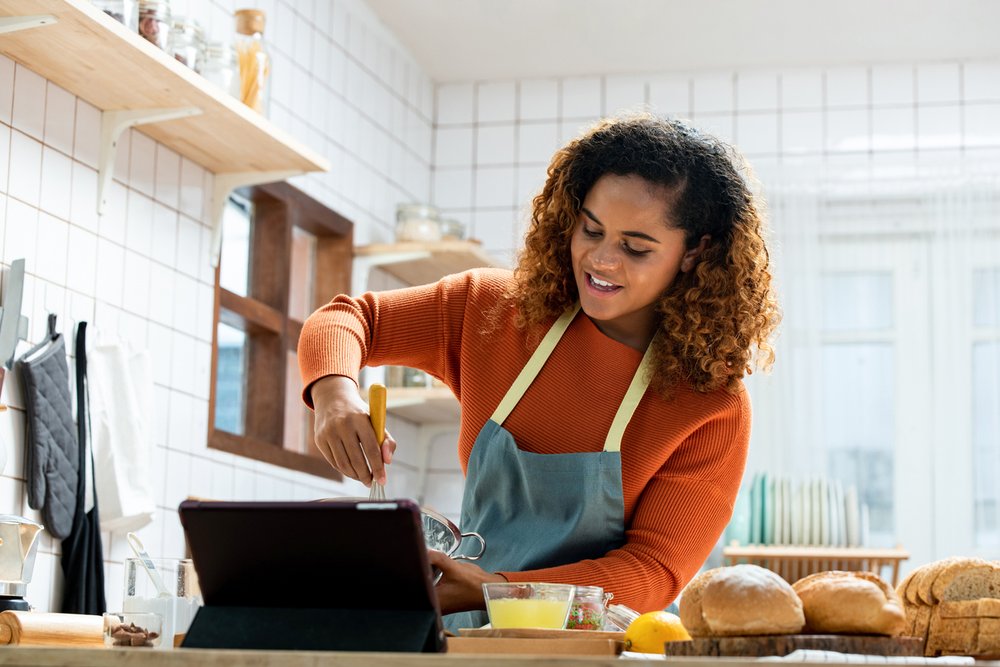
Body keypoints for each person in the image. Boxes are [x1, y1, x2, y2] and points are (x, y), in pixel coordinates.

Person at [298, 112, 780, 629]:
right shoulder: (492, 309)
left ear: (695, 252)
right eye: (590, 230)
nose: (602, 260)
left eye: (635, 247)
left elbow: (653, 570)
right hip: (460, 634)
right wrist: (334, 393)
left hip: (589, 648)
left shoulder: (711, 404)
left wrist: (496, 591)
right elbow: (351, 319)